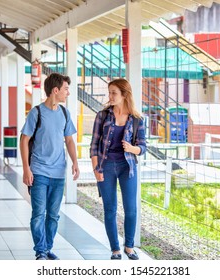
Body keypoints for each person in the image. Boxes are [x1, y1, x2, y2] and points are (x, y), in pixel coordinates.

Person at [20, 73, 80, 260]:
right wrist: (26, 169)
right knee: (38, 213)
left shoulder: (64, 113)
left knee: (53, 215)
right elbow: (24, 140)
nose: (67, 93)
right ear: (56, 90)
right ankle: (40, 251)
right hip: (38, 171)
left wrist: (75, 161)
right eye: (66, 89)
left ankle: (47, 247)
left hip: (58, 173)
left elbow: (69, 140)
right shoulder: (36, 112)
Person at [89, 78, 146, 260]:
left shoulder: (137, 119)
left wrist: (132, 148)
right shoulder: (103, 116)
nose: (110, 96)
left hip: (127, 167)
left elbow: (143, 147)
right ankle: (115, 249)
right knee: (110, 209)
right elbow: (94, 145)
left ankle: (129, 246)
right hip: (105, 165)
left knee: (131, 209)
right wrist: (96, 169)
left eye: (114, 92)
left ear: (124, 94)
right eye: (109, 92)